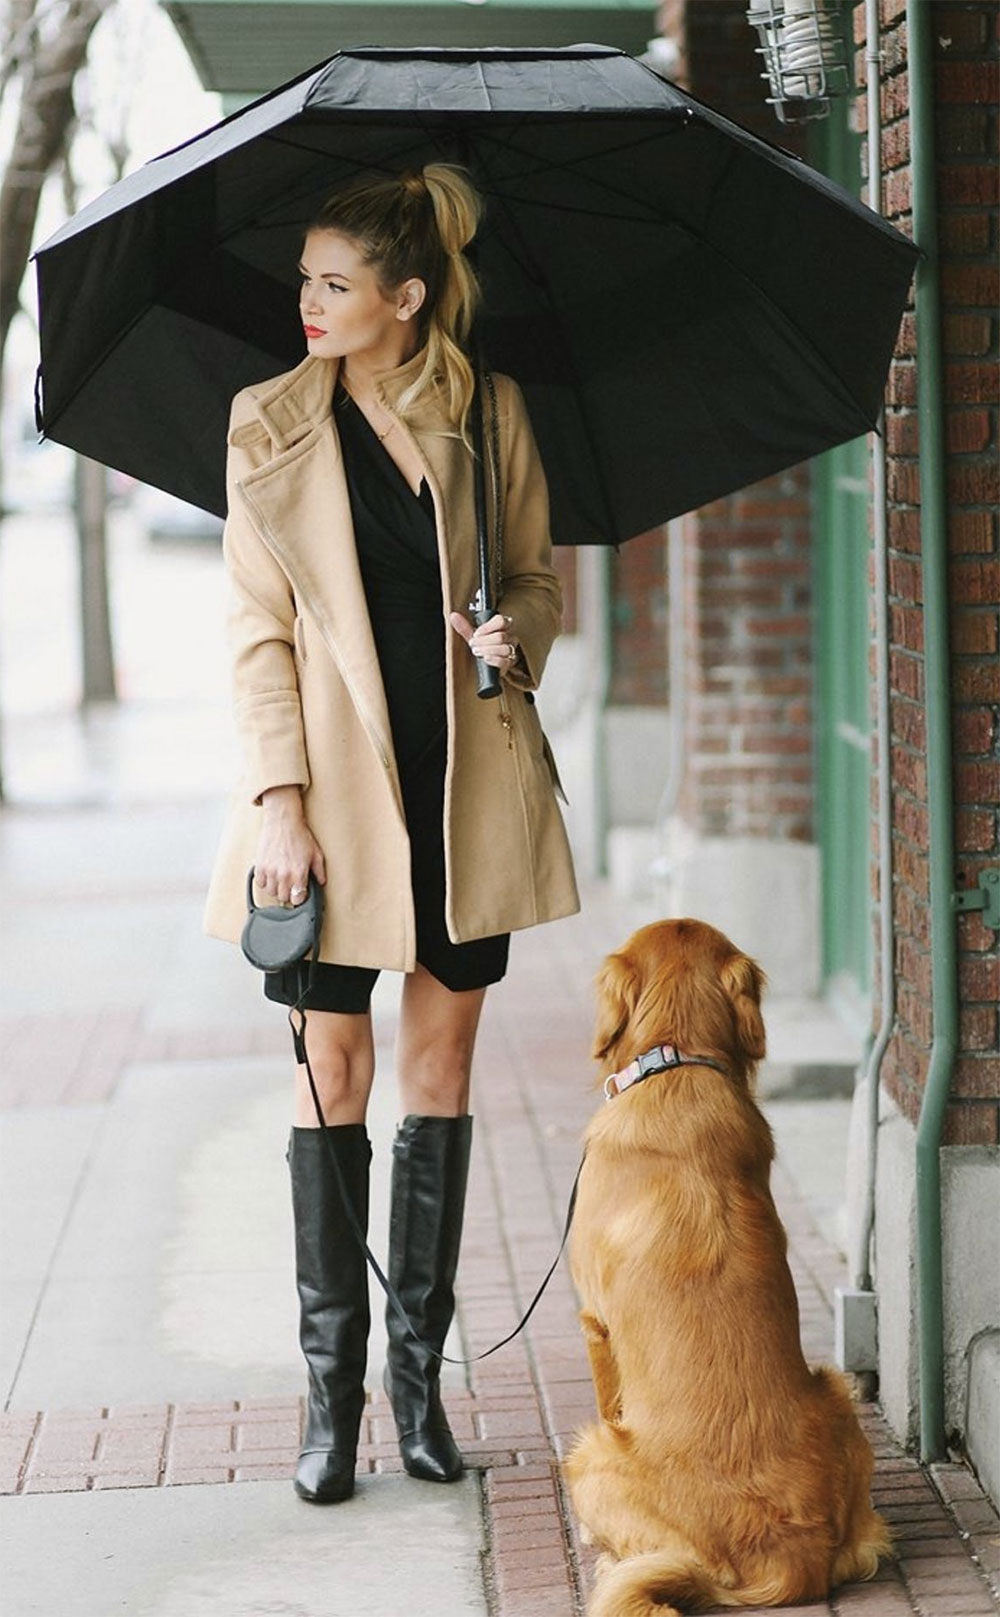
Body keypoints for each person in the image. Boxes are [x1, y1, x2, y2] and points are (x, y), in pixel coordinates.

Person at [204, 164, 578, 1505]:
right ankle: (334, 1401)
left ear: (405, 298)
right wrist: (279, 808)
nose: (308, 303)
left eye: (336, 284)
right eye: (305, 280)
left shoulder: (489, 414)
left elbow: (539, 575)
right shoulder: (267, 426)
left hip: (461, 791)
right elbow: (254, 632)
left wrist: (510, 634)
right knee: (334, 1077)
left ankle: (418, 1392)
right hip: (327, 812)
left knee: (438, 1070)